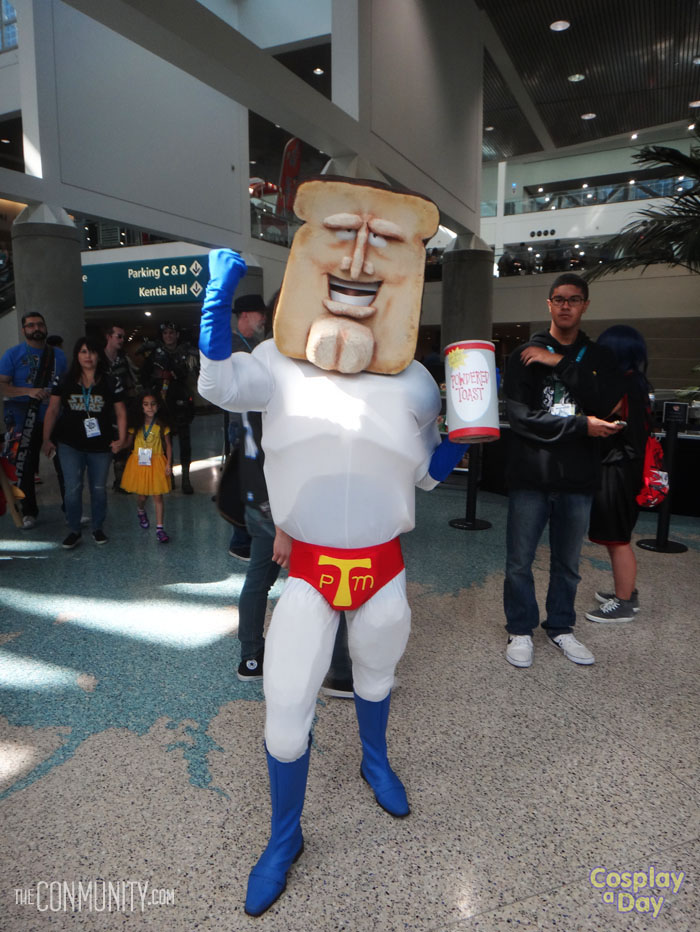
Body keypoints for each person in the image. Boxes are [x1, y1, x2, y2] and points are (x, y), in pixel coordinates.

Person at [198, 176, 466, 917]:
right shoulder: (277, 367)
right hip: (311, 569)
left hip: (382, 566)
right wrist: (215, 309)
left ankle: (374, 760)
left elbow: (423, 473)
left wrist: (461, 449)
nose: (357, 261)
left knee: (377, 676)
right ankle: (285, 837)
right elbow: (221, 382)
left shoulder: (414, 383)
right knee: (286, 704)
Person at [503, 272, 624, 669]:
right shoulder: (524, 354)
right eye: (559, 299)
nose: (566, 305)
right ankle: (520, 629)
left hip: (578, 478)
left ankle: (560, 628)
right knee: (519, 561)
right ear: (549, 304)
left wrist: (559, 362)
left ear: (585, 304)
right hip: (530, 479)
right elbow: (521, 418)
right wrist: (579, 425)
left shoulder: (600, 358)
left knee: (568, 565)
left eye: (574, 299)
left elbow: (604, 403)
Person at [584, 326, 651, 622]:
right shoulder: (636, 382)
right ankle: (625, 591)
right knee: (616, 536)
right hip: (627, 466)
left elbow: (597, 410)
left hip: (618, 467)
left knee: (617, 538)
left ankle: (624, 603)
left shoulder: (622, 385)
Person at [42, 336, 127, 548]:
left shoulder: (110, 381)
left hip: (101, 445)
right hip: (69, 444)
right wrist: (46, 439)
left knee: (98, 488)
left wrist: (122, 439)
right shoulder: (63, 381)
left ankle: (98, 528)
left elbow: (121, 412)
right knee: (72, 487)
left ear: (99, 355)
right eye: (83, 352)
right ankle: (74, 529)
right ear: (76, 355)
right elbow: (52, 410)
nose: (88, 356)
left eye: (92, 352)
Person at [0, 312, 67, 528]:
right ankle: (29, 511)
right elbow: (2, 385)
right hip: (23, 417)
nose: (35, 328)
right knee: (25, 466)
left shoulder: (59, 355)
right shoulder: (12, 354)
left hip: (55, 416)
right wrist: (28, 391)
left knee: (65, 463)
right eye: (30, 325)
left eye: (39, 324)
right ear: (24, 330)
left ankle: (71, 508)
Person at [226, 294, 269, 560]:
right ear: (244, 315)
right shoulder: (232, 345)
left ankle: (249, 537)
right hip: (240, 423)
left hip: (255, 421)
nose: (262, 318)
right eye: (258, 313)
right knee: (244, 480)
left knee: (253, 479)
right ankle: (240, 540)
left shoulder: (255, 344)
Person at [140, 322, 198, 494]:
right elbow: (144, 377)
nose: (169, 336)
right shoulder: (155, 354)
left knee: (185, 442)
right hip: (163, 403)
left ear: (177, 335)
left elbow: (195, 373)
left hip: (182, 401)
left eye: (172, 333)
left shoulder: (187, 353)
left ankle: (186, 478)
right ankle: (168, 476)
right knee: (165, 442)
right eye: (165, 333)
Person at [120, 391, 172, 543]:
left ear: (158, 406)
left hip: (156, 462)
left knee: (158, 496)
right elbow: (129, 443)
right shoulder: (135, 425)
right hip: (140, 463)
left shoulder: (162, 425)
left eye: (153, 404)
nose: (150, 407)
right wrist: (119, 445)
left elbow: (168, 445)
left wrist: (168, 463)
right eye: (146, 404)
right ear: (141, 407)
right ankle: (141, 510)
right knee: (142, 496)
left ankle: (160, 528)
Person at [104, 324, 139, 491]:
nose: (122, 340)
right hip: (102, 408)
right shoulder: (98, 359)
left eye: (123, 337)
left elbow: (133, 380)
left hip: (122, 406)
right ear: (108, 337)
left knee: (123, 442)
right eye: (118, 336)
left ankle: (121, 481)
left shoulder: (124, 359)